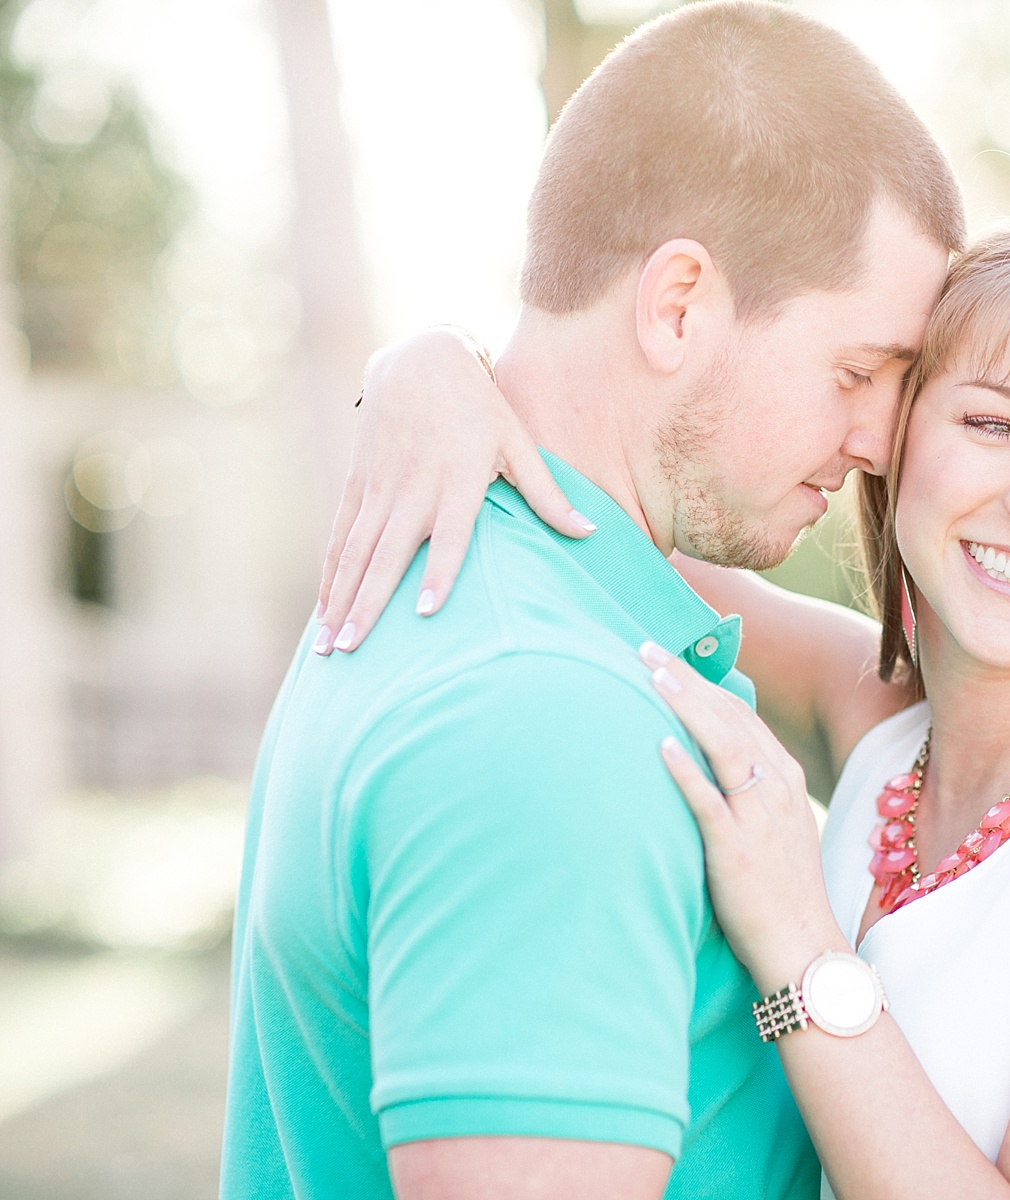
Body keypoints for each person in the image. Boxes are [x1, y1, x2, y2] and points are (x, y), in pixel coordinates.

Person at [320, 212, 1010, 1198]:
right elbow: (595, 511)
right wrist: (429, 367)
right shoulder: (876, 720)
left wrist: (800, 943)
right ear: (890, 435)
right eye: (995, 423)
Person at [223, 3, 962, 1197]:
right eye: (856, 370)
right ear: (678, 305)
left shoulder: (477, 578)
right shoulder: (548, 719)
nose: (881, 440)